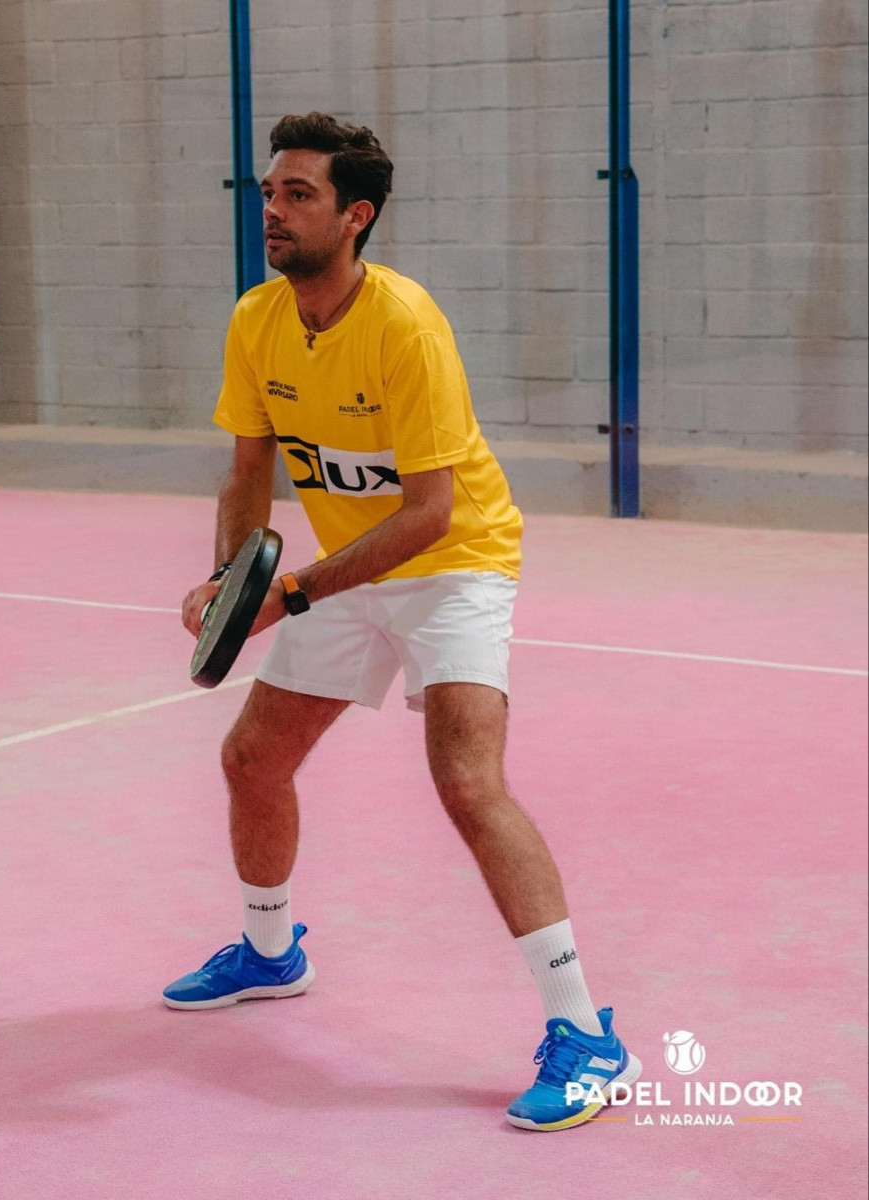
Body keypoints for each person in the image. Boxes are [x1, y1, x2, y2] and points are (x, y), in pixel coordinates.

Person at [163, 113, 640, 1132]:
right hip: (347, 569)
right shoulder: (256, 318)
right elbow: (249, 467)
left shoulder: (404, 325)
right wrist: (229, 580)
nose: (273, 211)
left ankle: (585, 1032)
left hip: (454, 565)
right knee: (252, 759)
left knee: (467, 781)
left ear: (356, 216)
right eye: (269, 193)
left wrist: (290, 594)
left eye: (298, 195)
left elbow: (429, 513)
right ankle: (269, 952)